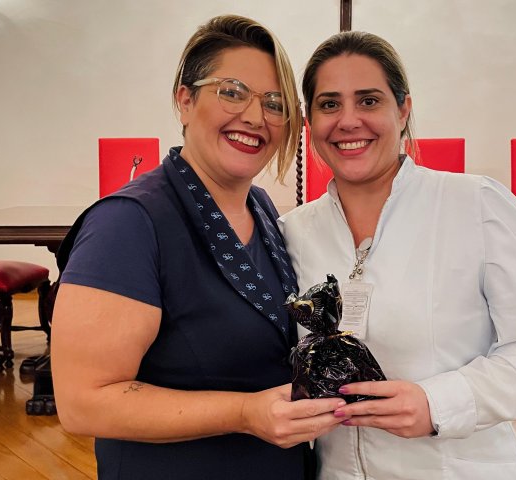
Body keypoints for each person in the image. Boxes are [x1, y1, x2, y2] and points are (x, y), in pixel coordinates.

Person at [51, 15, 345, 480]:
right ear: (184, 100)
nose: (255, 117)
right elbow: (83, 403)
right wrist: (245, 413)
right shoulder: (128, 223)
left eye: (274, 103)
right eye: (232, 92)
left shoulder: (261, 208)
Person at [278, 31, 516, 479]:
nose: (348, 121)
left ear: (403, 109)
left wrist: (439, 404)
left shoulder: (476, 205)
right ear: (310, 120)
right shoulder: (292, 232)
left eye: (368, 101)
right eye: (329, 104)